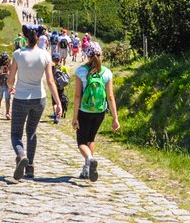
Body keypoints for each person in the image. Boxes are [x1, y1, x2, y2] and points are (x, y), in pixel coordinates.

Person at [8, 24, 62, 180]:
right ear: (38, 37)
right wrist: (58, 102)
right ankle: (30, 166)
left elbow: (11, 80)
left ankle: (20, 155)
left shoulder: (18, 54)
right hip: (39, 99)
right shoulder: (45, 55)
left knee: (16, 133)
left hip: (21, 98)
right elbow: (51, 81)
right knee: (31, 132)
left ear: (25, 37)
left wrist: (11, 88)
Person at [72, 42, 119, 182]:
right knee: (91, 138)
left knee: (81, 141)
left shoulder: (81, 71)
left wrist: (75, 117)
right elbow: (110, 97)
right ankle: (87, 168)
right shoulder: (107, 73)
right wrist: (115, 118)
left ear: (87, 55)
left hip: (84, 110)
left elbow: (77, 96)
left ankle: (90, 160)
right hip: (100, 111)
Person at [51, 51, 70, 124]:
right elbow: (68, 77)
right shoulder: (64, 68)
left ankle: (55, 115)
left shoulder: (52, 68)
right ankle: (59, 114)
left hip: (54, 87)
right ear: (60, 59)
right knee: (60, 100)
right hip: (61, 88)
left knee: (54, 102)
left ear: (52, 60)